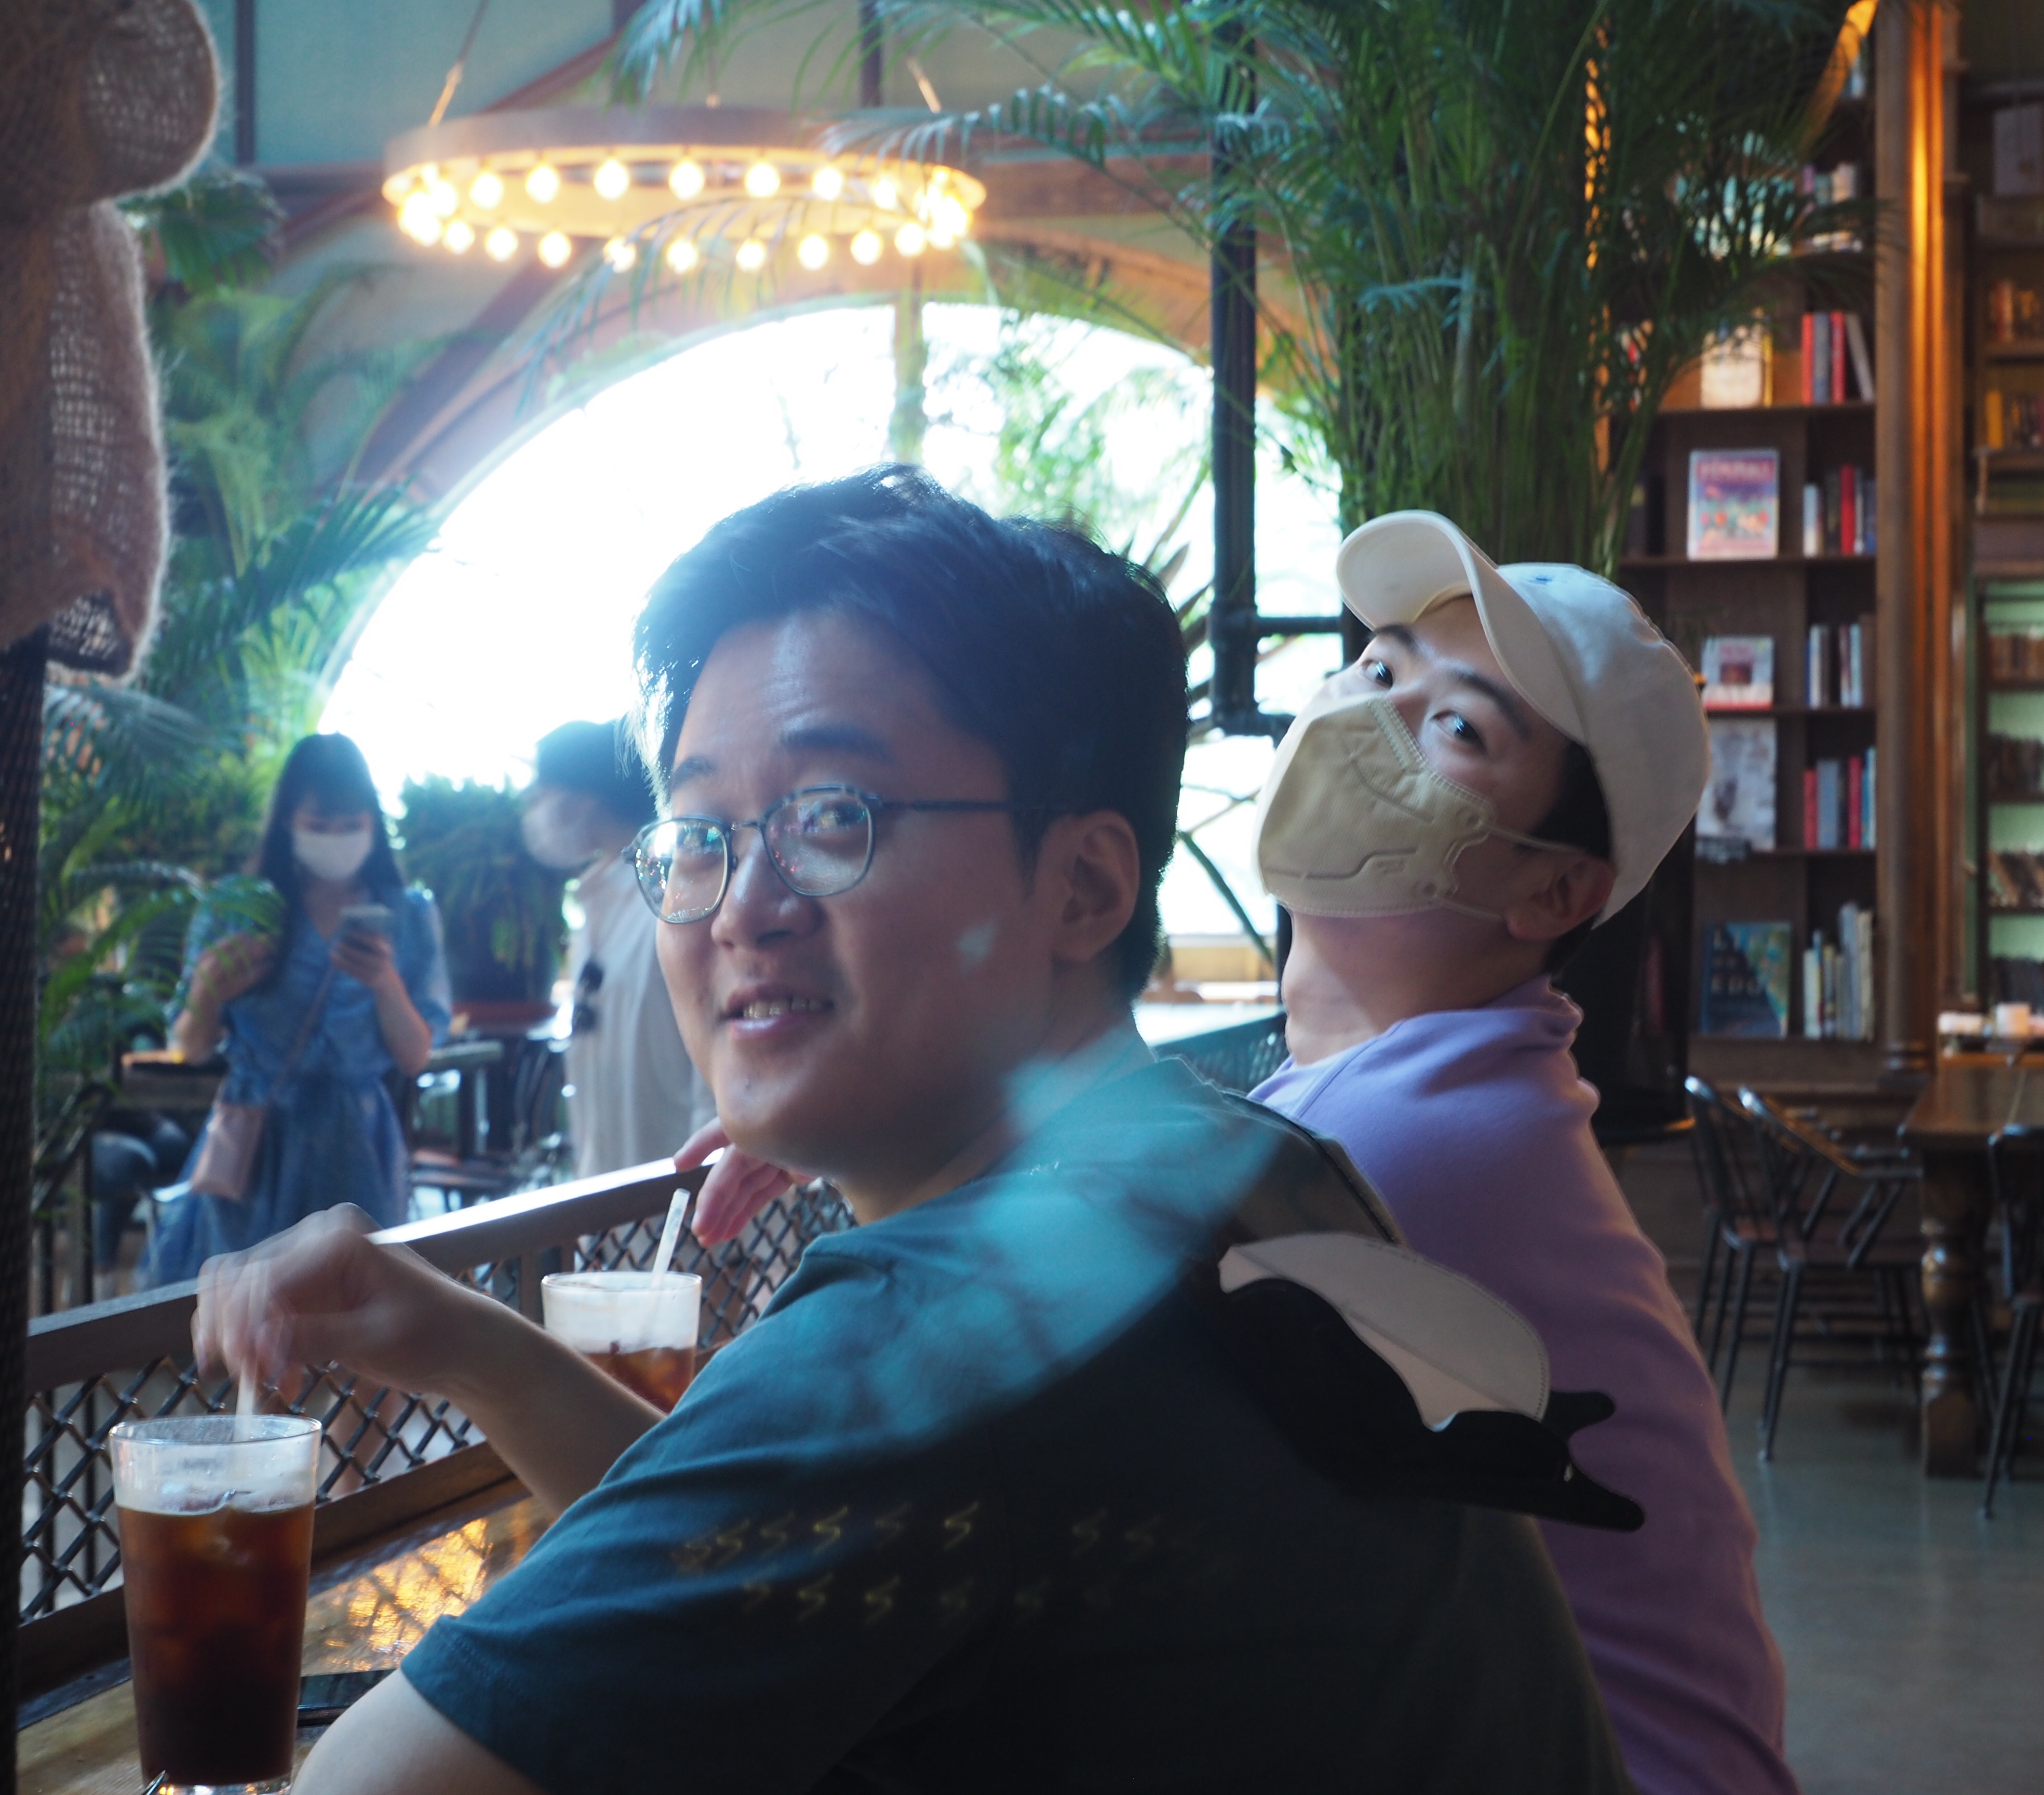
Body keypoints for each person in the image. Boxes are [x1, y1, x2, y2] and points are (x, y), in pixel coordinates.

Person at [192, 471, 1634, 1795]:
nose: (743, 907)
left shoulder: (951, 1327)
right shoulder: (1250, 1167)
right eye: (699, 834)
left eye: (831, 817)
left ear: (1082, 887)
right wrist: (464, 1343)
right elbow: (786, 1542)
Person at [1244, 511, 1796, 1795]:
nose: (1369, 713)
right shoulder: (1451, 1084)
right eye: (1379, 665)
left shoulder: (1415, 1139)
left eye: (1457, 725)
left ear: (1554, 893)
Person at [151, 733, 451, 1285]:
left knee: (356, 1311)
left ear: (372, 823)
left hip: (357, 1151)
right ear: (289, 820)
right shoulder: (239, 907)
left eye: (350, 824)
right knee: (249, 1312)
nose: (335, 838)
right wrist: (209, 993)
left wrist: (385, 983)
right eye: (319, 824)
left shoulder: (407, 915)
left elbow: (415, 1057)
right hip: (255, 1149)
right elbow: (189, 1046)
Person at [521, 719, 714, 1177]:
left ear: (582, 798)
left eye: (541, 795)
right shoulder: (596, 905)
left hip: (677, 1197)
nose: (533, 813)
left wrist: (701, 1190)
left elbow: (710, 1083)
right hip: (606, 1191)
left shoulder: (672, 901)